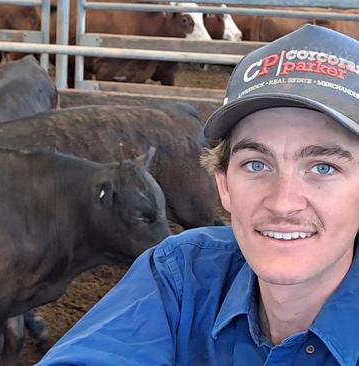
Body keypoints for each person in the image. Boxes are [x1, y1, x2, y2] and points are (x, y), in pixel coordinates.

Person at [36, 24, 359, 366]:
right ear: (223, 185)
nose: (283, 202)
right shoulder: (182, 274)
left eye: (323, 167)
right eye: (255, 165)